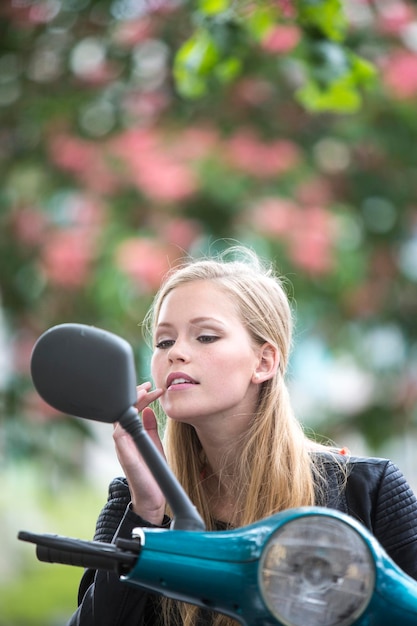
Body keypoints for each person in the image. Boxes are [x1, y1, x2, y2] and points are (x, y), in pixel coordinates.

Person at [68, 246, 417, 626]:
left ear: (264, 362)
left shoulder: (367, 491)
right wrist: (148, 512)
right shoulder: (132, 505)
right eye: (164, 341)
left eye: (205, 337)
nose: (176, 353)